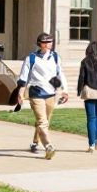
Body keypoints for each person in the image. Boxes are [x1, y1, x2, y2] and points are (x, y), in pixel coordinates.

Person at [15, 32, 69, 160]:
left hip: (51, 94)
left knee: (45, 121)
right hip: (36, 93)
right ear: (40, 44)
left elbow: (60, 74)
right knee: (42, 121)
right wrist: (20, 94)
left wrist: (65, 90)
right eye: (46, 42)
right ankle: (48, 147)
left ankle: (35, 142)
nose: (49, 44)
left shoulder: (55, 57)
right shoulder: (31, 58)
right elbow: (23, 78)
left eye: (50, 41)